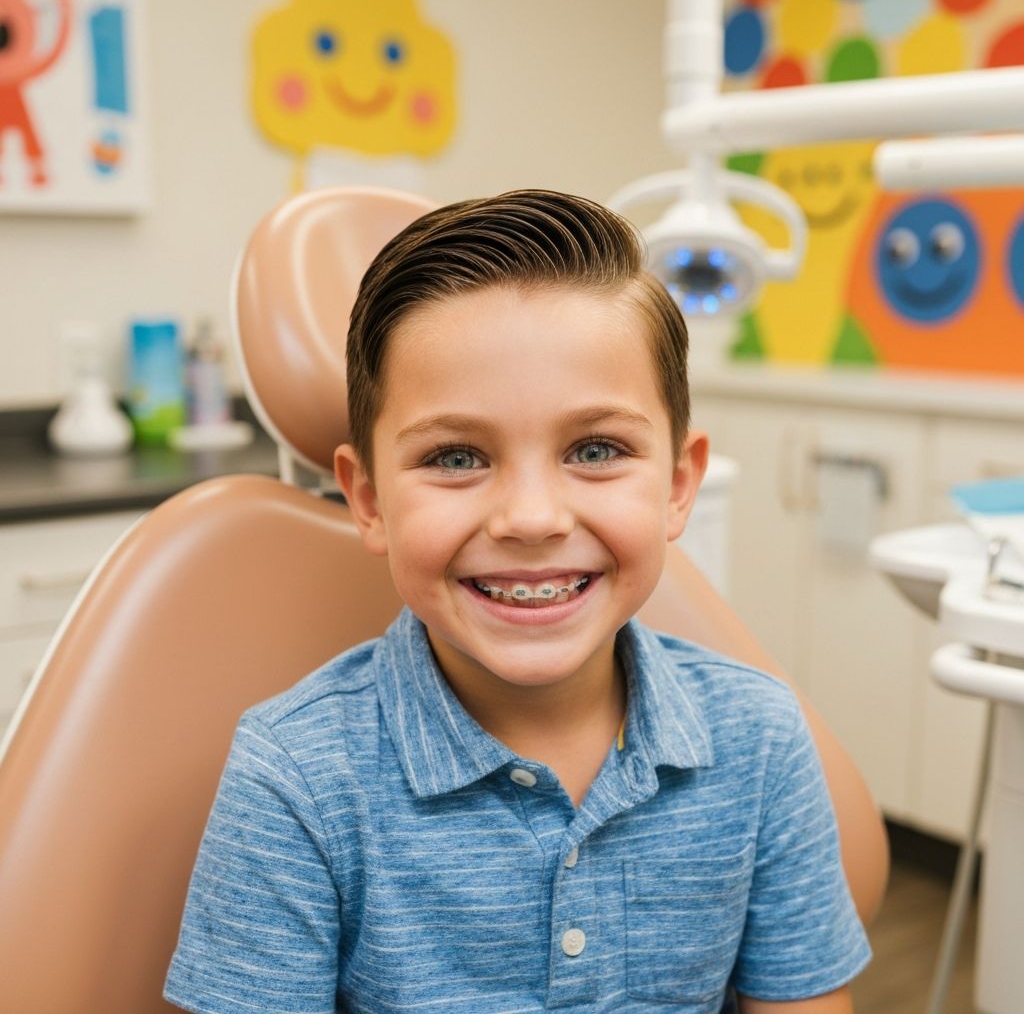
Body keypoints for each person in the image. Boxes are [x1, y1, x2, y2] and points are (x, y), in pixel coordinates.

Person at [165, 189, 873, 1013]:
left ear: (679, 485)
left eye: (597, 449)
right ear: (367, 500)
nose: (532, 519)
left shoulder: (758, 740)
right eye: (458, 456)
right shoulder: (297, 779)